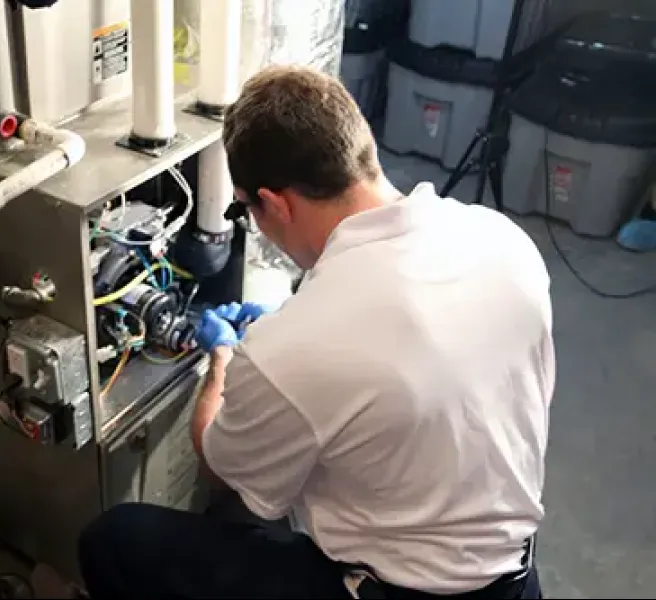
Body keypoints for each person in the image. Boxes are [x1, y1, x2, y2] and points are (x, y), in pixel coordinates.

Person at [78, 65, 554, 599]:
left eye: (247, 209)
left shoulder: (293, 350)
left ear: (276, 203)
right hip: (515, 580)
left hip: (395, 593)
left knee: (115, 539)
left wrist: (225, 360)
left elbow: (219, 466)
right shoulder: (502, 239)